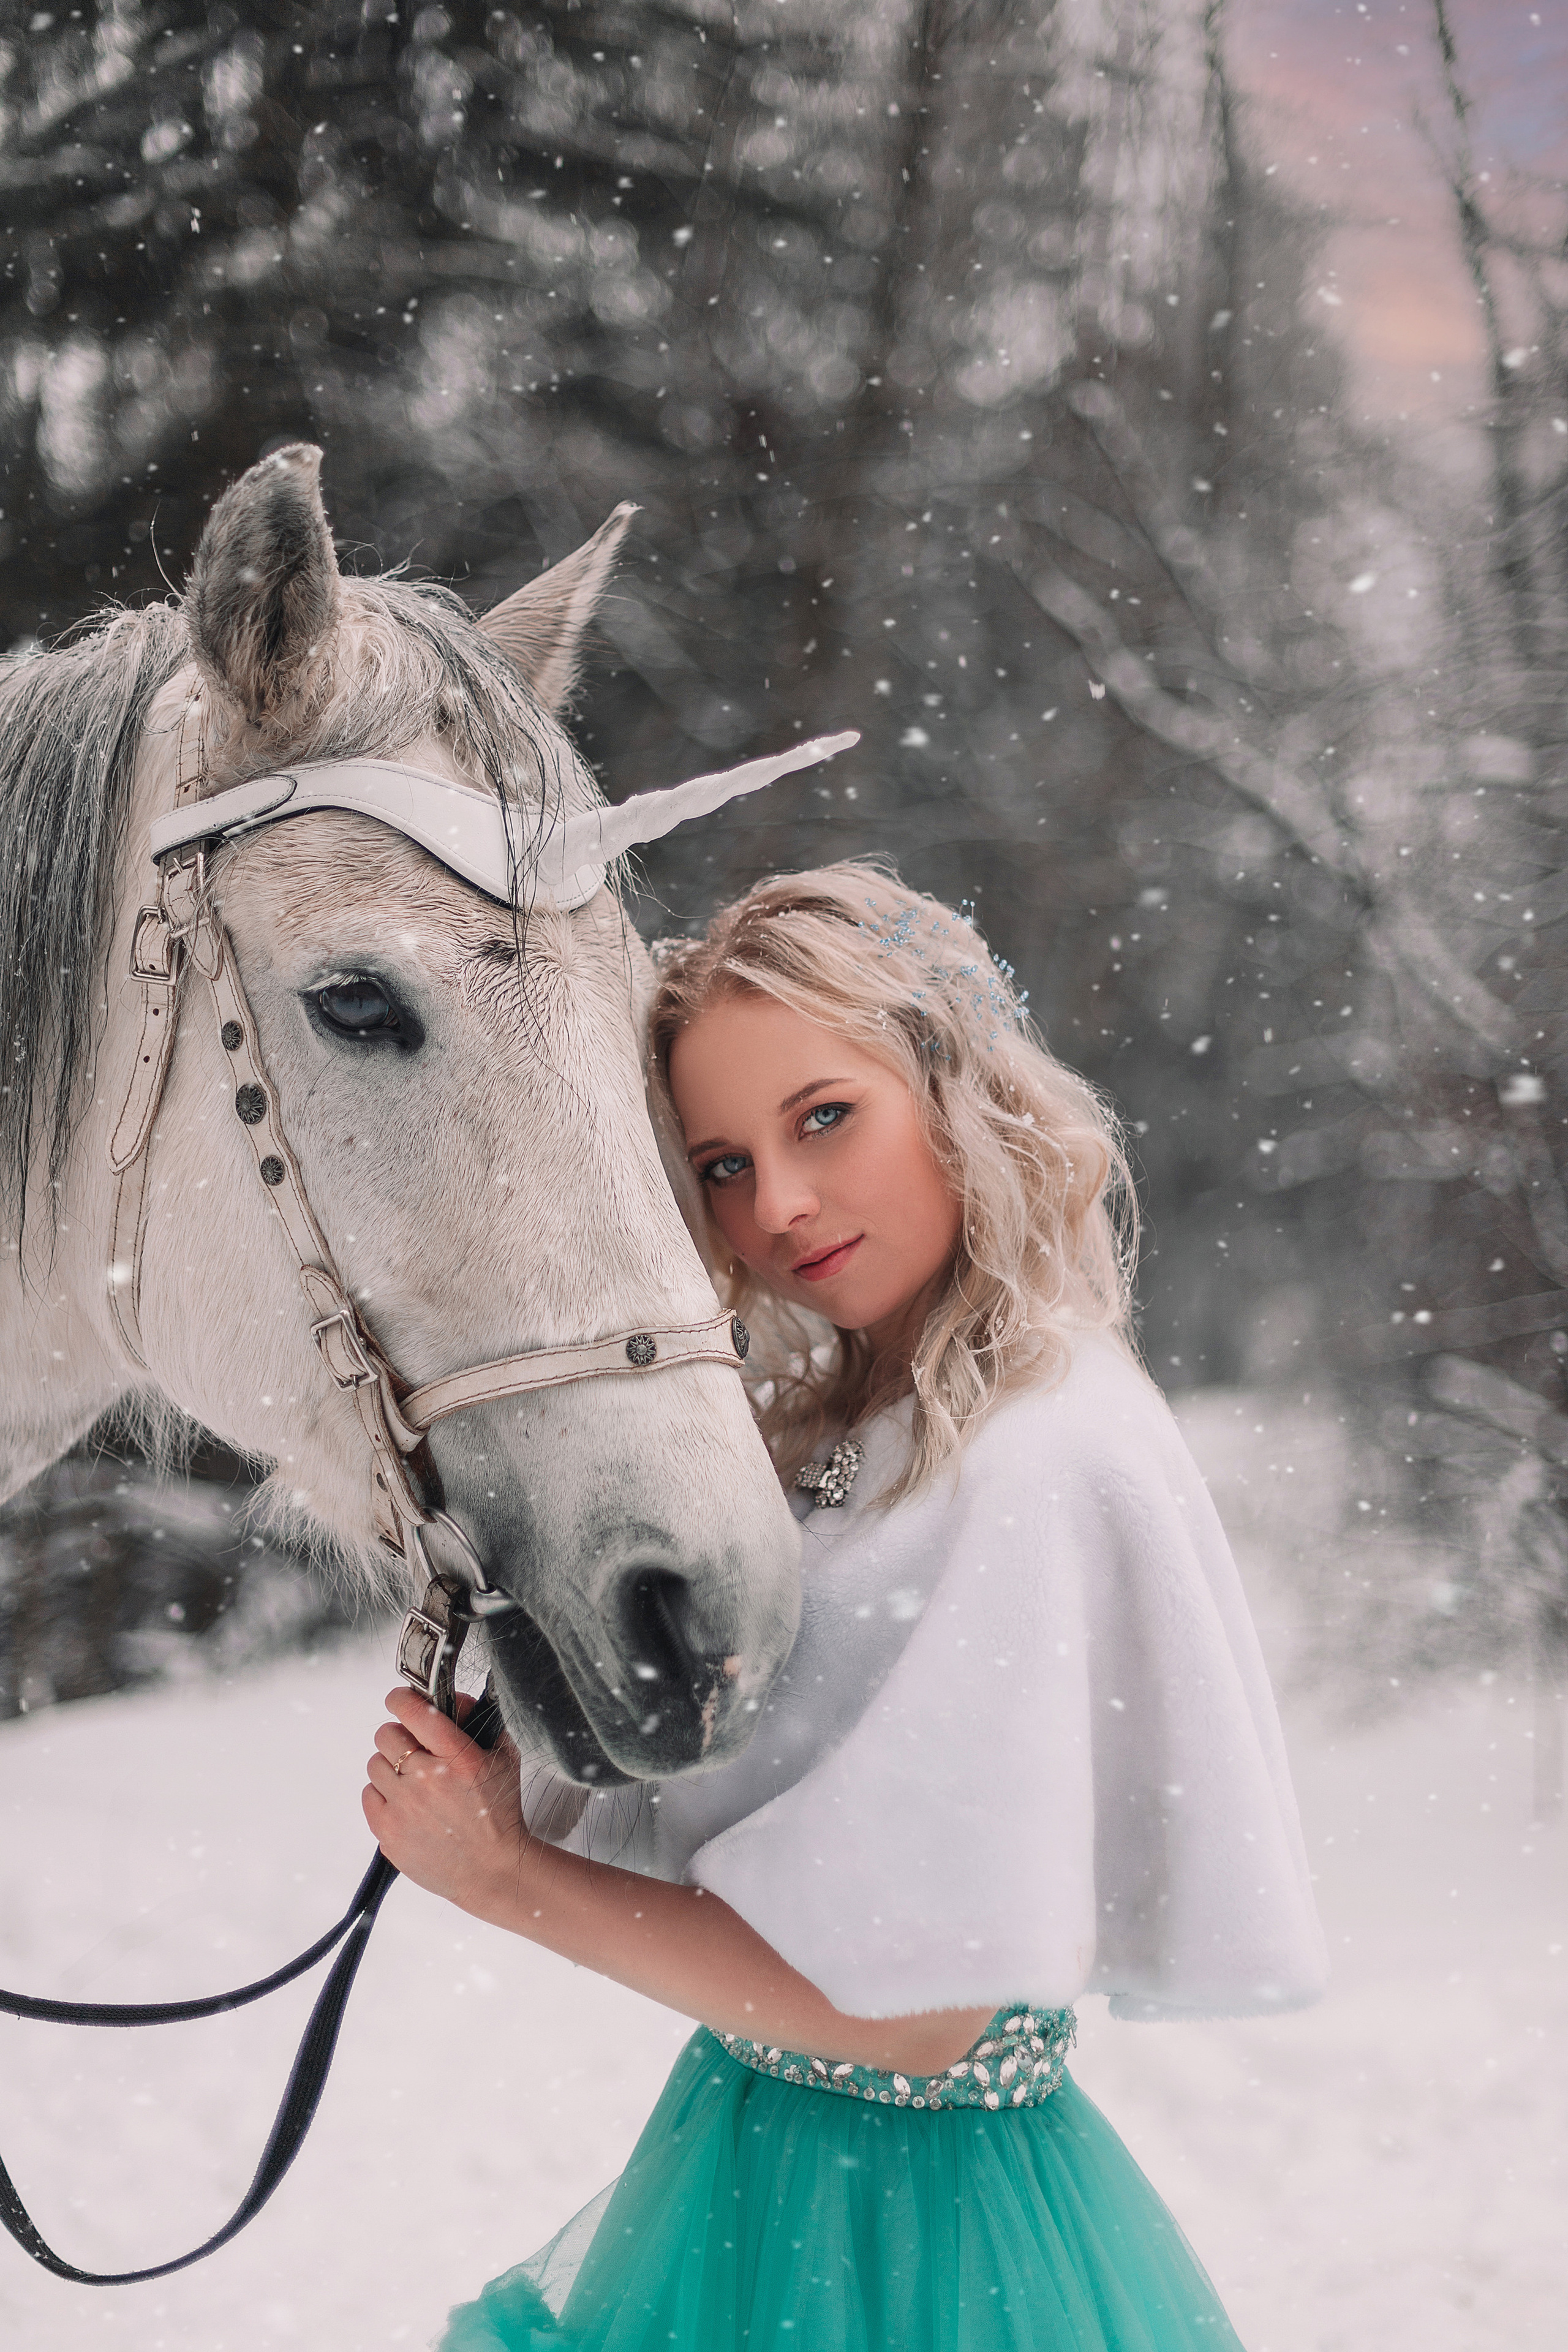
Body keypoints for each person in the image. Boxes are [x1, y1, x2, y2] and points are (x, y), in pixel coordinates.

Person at [364, 862, 1327, 2352]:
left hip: (913, 2244)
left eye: (823, 1117)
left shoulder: (1035, 1449)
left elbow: (915, 2021)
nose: (780, 1204)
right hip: (767, 2168)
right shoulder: (862, 1423)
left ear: (955, 1089)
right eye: (723, 1164)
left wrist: (505, 1880)